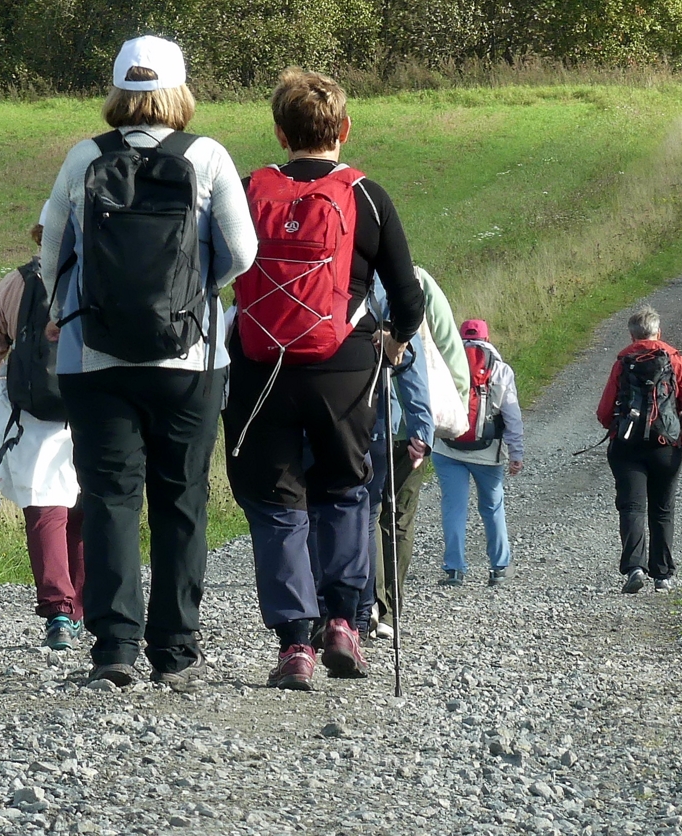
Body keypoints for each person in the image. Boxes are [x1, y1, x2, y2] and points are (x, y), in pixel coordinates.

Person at [40, 35, 257, 689]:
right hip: (190, 358)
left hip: (95, 357)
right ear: (179, 90)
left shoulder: (84, 158)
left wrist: (64, 302)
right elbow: (243, 252)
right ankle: (176, 651)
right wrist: (197, 292)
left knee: (108, 496)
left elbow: (53, 250)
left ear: (119, 90)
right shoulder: (207, 156)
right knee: (181, 498)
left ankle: (114, 648)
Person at [224, 67, 424, 691]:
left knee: (278, 502)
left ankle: (294, 645)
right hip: (344, 366)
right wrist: (393, 340)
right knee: (344, 491)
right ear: (344, 128)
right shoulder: (365, 195)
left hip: (261, 366)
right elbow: (408, 294)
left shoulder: (249, 188)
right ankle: (344, 623)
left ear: (279, 133)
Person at [0, 205, 85, 650]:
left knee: (45, 508)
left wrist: (9, 380)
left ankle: (58, 611)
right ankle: (89, 606)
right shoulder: (105, 281)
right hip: (95, 407)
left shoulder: (19, 282)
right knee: (88, 508)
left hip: (35, 413)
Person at [366, 267, 466, 640]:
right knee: (400, 518)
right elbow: (451, 347)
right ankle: (391, 610)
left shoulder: (351, 275)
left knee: (368, 512)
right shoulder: (419, 281)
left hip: (366, 415)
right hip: (414, 423)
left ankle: (372, 604)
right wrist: (454, 403)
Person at [596, 304, 682, 594]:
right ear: (658, 332)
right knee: (662, 509)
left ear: (632, 336)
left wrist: (615, 426)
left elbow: (605, 410)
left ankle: (635, 567)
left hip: (627, 446)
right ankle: (663, 575)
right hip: (666, 446)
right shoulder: (676, 360)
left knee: (632, 507)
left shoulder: (623, 361)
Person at [432, 319, 523, 587]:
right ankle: (499, 568)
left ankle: (455, 570)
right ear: (487, 337)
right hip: (488, 453)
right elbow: (513, 417)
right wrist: (515, 453)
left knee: (453, 508)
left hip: (447, 449)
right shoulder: (501, 370)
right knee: (492, 508)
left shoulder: (446, 363)